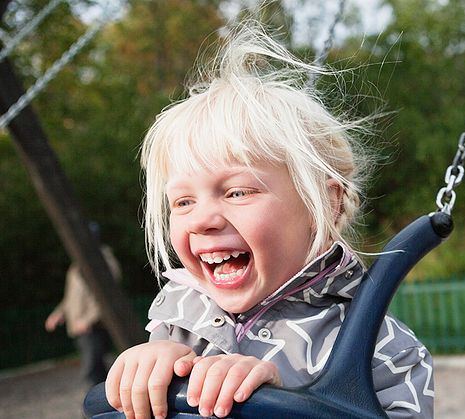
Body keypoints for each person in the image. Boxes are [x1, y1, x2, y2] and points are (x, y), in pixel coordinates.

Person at [104, 20, 434, 419]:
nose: (203, 220)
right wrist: (148, 377)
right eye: (183, 202)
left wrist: (286, 402)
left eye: (237, 192)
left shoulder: (380, 348)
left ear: (325, 204)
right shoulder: (177, 320)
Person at [45, 222, 121, 387]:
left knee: (92, 369)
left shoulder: (104, 261)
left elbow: (107, 295)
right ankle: (106, 405)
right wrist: (59, 313)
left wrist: (88, 319)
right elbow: (72, 296)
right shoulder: (78, 263)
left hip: (95, 326)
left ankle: (95, 408)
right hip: (79, 326)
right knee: (97, 369)